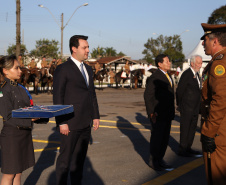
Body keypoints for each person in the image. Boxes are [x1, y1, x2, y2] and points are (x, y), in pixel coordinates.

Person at [53, 35, 100, 185]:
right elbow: (58, 97)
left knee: (79, 163)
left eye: (87, 47)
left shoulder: (87, 68)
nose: (88, 50)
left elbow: (91, 94)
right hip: (70, 124)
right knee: (65, 162)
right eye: (84, 47)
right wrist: (62, 121)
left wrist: (95, 116)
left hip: (85, 123)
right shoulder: (63, 69)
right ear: (74, 49)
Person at [0, 55, 35, 185]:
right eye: (17, 68)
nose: (20, 71)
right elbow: (8, 116)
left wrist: (41, 116)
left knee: (18, 172)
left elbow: (29, 108)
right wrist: (30, 119)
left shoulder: (21, 88)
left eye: (20, 67)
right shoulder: (3, 89)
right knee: (9, 173)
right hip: (12, 136)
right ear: (5, 70)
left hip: (24, 134)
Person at [200, 23, 226, 185]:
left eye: (205, 40)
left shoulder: (219, 64)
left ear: (214, 41)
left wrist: (209, 132)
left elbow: (221, 100)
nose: (203, 43)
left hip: (219, 132)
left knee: (217, 177)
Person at [144, 54, 175, 171]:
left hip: (167, 113)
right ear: (160, 64)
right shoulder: (155, 77)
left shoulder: (167, 75)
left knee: (164, 138)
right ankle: (154, 161)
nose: (169, 63)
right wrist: (151, 112)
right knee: (157, 138)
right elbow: (148, 96)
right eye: (167, 61)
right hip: (158, 114)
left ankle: (160, 159)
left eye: (169, 61)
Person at [176, 55, 203, 157]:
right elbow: (179, 91)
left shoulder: (196, 74)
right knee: (185, 128)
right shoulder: (187, 74)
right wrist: (180, 104)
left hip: (195, 107)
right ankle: (182, 149)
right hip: (187, 107)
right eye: (199, 63)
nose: (200, 65)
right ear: (192, 63)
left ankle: (188, 147)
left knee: (192, 128)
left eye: (201, 63)